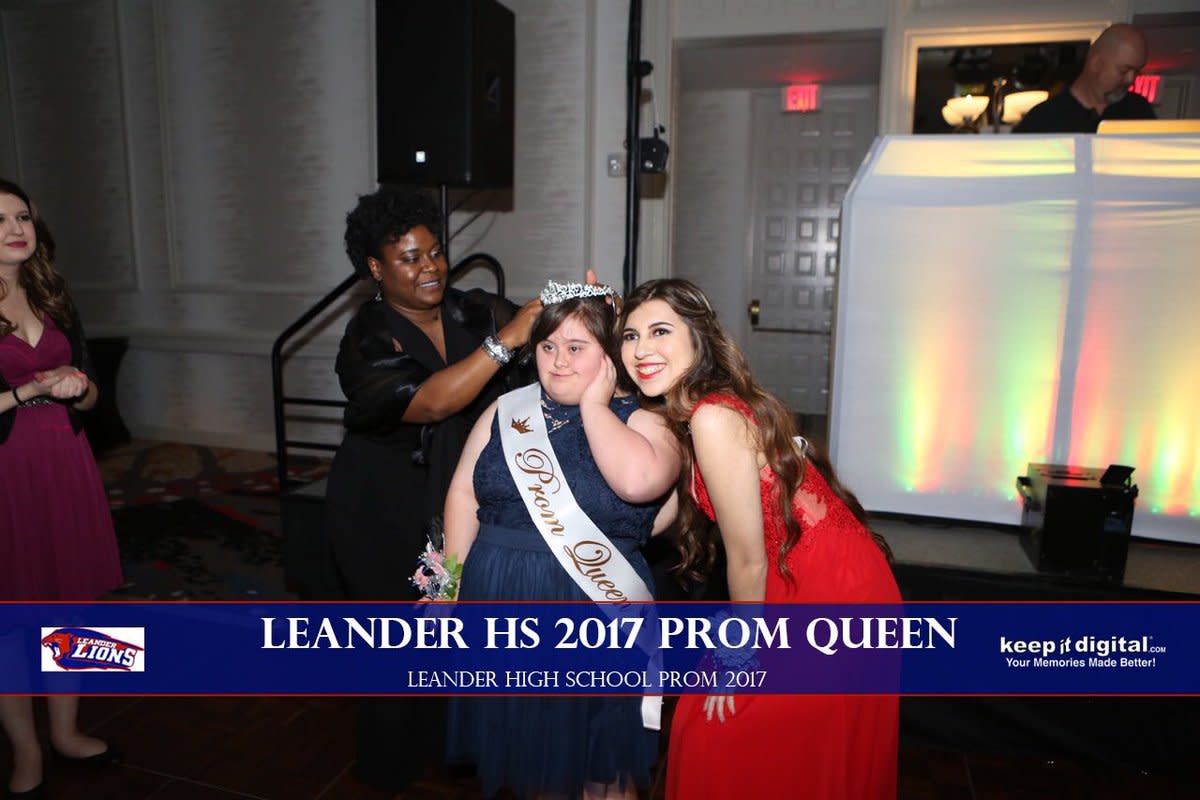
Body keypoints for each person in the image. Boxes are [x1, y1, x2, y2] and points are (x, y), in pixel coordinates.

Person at [617, 279, 900, 800]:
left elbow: (746, 558)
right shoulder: (691, 413)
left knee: (715, 732)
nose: (640, 350)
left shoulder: (712, 416)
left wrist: (739, 661)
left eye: (659, 331)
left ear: (699, 339)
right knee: (711, 728)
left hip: (830, 593)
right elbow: (655, 518)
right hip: (801, 582)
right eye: (630, 336)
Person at [323, 186, 540, 791]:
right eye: (410, 257)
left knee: (457, 632)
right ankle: (388, 771)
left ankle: (451, 751)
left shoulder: (474, 310)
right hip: (381, 509)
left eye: (436, 252)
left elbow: (546, 334)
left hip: (465, 501)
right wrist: (507, 342)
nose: (431, 268)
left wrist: (594, 304)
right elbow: (431, 401)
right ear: (375, 267)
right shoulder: (366, 337)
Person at [444, 285, 681, 799]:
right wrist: (449, 588)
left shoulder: (647, 423)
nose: (557, 361)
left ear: (611, 351)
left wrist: (597, 403)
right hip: (505, 608)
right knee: (536, 761)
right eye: (548, 346)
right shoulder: (508, 411)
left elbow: (647, 493)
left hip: (593, 613)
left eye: (576, 347)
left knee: (603, 772)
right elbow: (464, 495)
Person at [0, 178, 123, 797]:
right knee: (12, 617)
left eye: (21, 215)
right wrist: (29, 390)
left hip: (66, 464)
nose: (15, 227)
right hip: (7, 474)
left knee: (68, 605)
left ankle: (67, 732)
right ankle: (25, 750)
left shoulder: (55, 296)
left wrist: (78, 385)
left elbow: (97, 393)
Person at [1013, 23, 1154, 133]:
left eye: (1136, 71)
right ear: (1096, 63)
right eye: (1124, 71)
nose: (1130, 79)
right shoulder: (1043, 119)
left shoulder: (1139, 110)